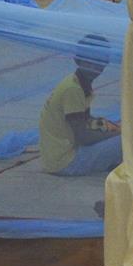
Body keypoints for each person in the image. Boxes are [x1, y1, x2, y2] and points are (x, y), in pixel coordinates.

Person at [37, 37, 122, 176]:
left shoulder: (77, 82)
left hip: (58, 157)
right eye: (89, 62)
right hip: (66, 162)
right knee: (127, 141)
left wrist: (113, 127)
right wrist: (117, 133)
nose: (95, 67)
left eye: (99, 62)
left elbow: (85, 120)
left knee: (116, 128)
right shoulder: (73, 90)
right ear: (78, 60)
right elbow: (84, 137)